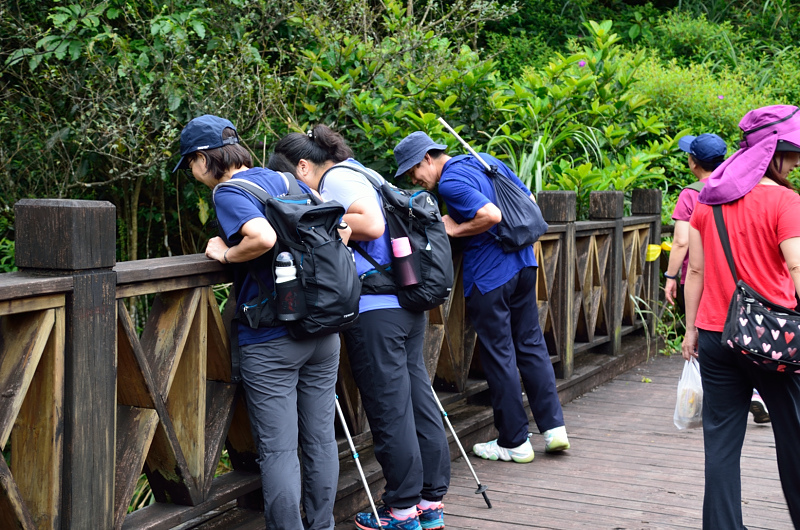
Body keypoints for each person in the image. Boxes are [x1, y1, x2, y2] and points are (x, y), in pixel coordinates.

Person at [270, 125, 450, 530]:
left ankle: (401, 509)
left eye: (291, 177)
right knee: (418, 398)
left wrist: (318, 223)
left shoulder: (336, 178)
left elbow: (371, 225)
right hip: (405, 299)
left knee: (390, 409)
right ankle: (429, 501)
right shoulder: (365, 172)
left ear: (303, 166)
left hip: (375, 307)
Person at [174, 115, 341, 530]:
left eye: (190, 165)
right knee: (320, 440)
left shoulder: (229, 192)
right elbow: (339, 228)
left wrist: (225, 254)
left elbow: (262, 238)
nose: (193, 174)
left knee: (280, 451)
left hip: (272, 336)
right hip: (321, 327)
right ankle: (321, 525)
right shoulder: (285, 180)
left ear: (200, 159)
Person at [393, 131, 569, 465]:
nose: (414, 180)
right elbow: (528, 200)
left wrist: (454, 229)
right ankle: (554, 428)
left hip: (490, 275)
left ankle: (515, 441)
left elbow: (490, 215)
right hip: (524, 263)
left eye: (414, 171)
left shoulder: (449, 184)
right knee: (531, 344)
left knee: (499, 353)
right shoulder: (485, 160)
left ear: (428, 158)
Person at [681, 104, 800, 528]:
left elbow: (694, 270)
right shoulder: (785, 201)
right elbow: (797, 267)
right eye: (793, 155)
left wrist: (691, 330)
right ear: (776, 153)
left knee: (721, 443)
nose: (796, 164)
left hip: (715, 335)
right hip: (773, 338)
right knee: (795, 437)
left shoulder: (707, 198)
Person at [665, 133, 771, 424]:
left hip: (700, 280)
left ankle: (707, 399)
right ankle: (755, 394)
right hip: (739, 280)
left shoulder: (691, 193)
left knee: (703, 338)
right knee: (741, 332)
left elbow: (681, 241)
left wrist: (670, 274)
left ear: (692, 163)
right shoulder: (742, 187)